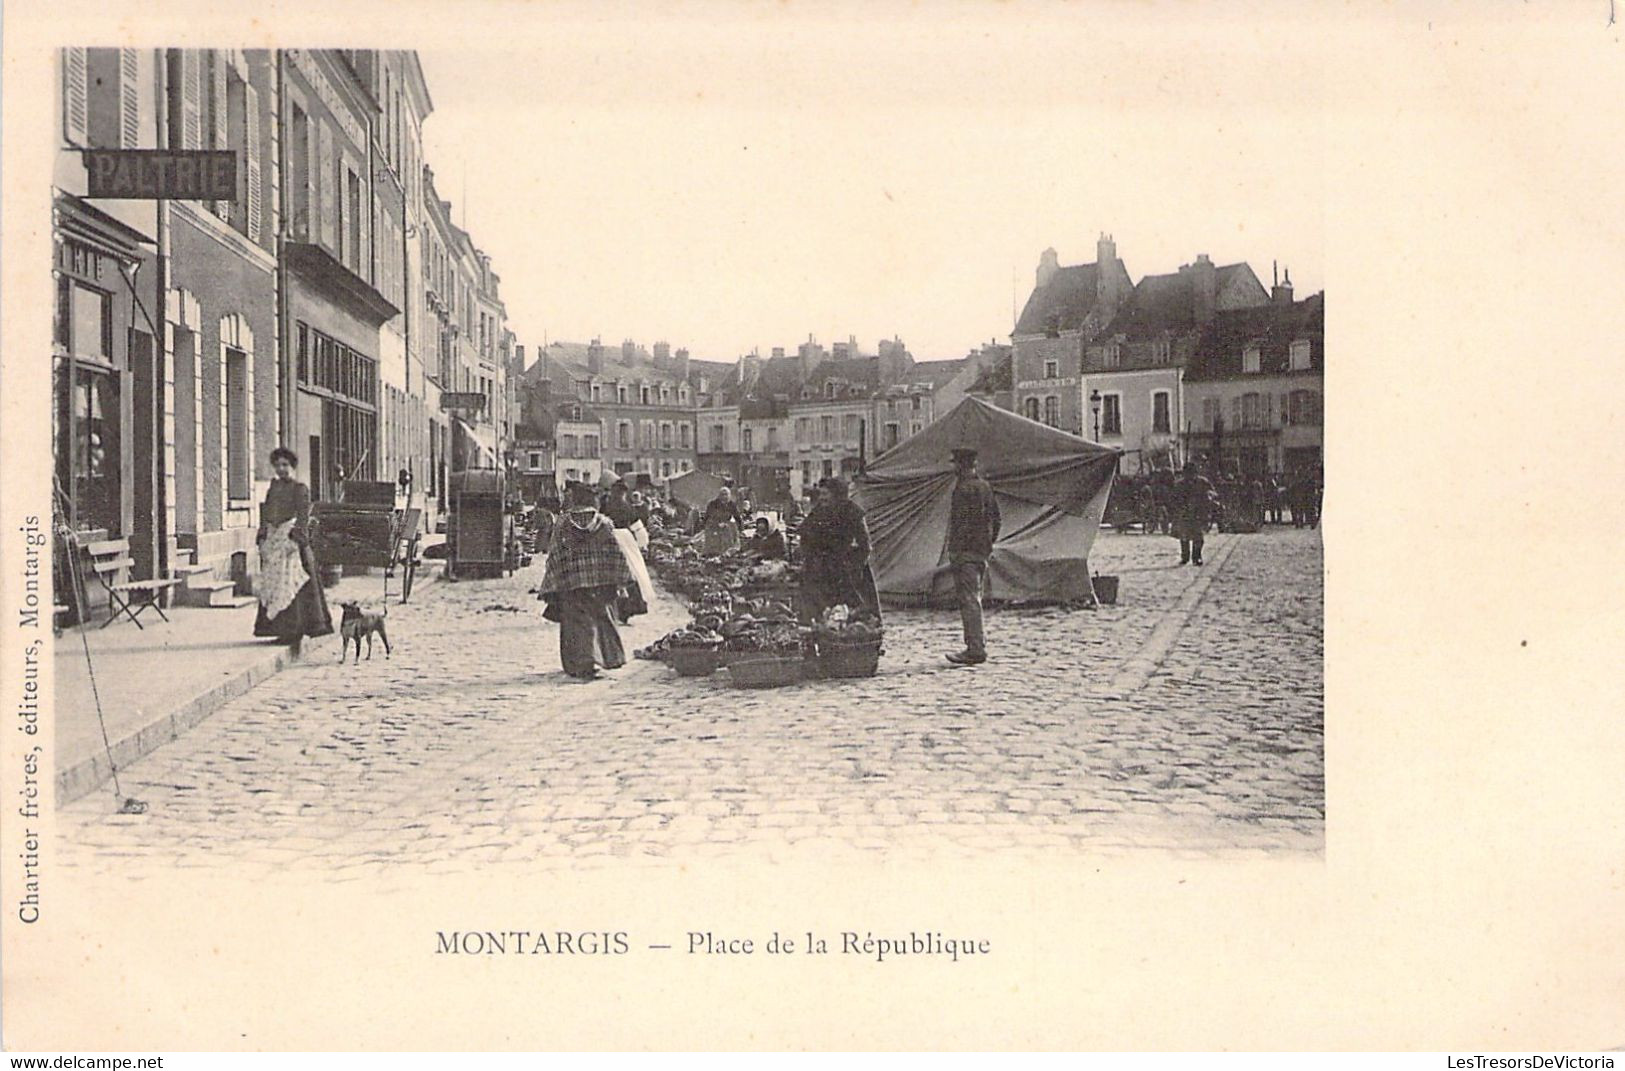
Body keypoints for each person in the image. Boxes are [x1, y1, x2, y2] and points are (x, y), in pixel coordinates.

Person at [538, 484, 635, 680]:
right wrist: (621, 578)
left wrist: (552, 581)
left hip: (572, 582)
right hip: (601, 582)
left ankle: (580, 663)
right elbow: (615, 553)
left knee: (575, 624)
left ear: (575, 500)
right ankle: (605, 658)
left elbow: (555, 553)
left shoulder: (563, 523)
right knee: (601, 620)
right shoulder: (604, 523)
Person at [254, 447, 334, 647]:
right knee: (274, 583)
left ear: (292, 467)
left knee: (292, 581)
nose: (282, 469)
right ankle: (278, 628)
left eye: (285, 465)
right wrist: (263, 535)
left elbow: (303, 516)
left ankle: (294, 630)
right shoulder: (273, 488)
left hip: (291, 539)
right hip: (274, 538)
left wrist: (296, 539)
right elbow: (266, 513)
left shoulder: (300, 489)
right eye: (278, 465)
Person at [944, 447, 1001, 666]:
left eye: (956, 464)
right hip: (980, 553)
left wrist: (956, 551)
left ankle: (975, 649)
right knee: (973, 599)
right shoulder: (985, 487)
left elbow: (960, 524)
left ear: (962, 465)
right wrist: (987, 544)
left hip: (965, 553)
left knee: (969, 600)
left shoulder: (962, 489)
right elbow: (997, 520)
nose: (954, 468)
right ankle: (975, 646)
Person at [798, 477, 878, 623]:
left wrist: (855, 565)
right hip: (821, 567)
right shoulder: (819, 511)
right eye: (820, 494)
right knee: (819, 606)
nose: (822, 498)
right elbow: (805, 532)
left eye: (825, 494)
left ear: (836, 494)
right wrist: (808, 556)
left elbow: (865, 544)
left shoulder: (853, 511)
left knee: (853, 607)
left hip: (846, 568)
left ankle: (855, 635)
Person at [1172, 462, 1219, 565]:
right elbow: (1174, 498)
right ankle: (1185, 557)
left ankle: (1196, 557)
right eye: (1187, 473)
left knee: (1198, 536)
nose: (1189, 476)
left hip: (1199, 512)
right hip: (1185, 513)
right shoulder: (1179, 484)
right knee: (1184, 536)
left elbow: (1213, 493)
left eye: (1191, 473)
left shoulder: (1202, 482)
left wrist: (1208, 496)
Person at [699, 486, 742, 555]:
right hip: (714, 524)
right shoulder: (713, 504)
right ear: (719, 495)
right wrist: (704, 525)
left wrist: (740, 528)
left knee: (730, 531)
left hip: (726, 524)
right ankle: (711, 552)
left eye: (726, 494)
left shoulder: (732, 504)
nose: (725, 497)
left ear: (729, 495)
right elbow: (707, 516)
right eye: (723, 494)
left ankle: (728, 551)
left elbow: (737, 517)